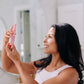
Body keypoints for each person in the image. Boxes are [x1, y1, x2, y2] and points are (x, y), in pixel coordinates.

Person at [1, 23, 84, 84]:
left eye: (50, 37)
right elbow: (8, 67)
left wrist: (17, 61)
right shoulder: (43, 64)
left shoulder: (70, 73)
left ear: (62, 41)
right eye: (46, 36)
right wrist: (5, 43)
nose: (44, 40)